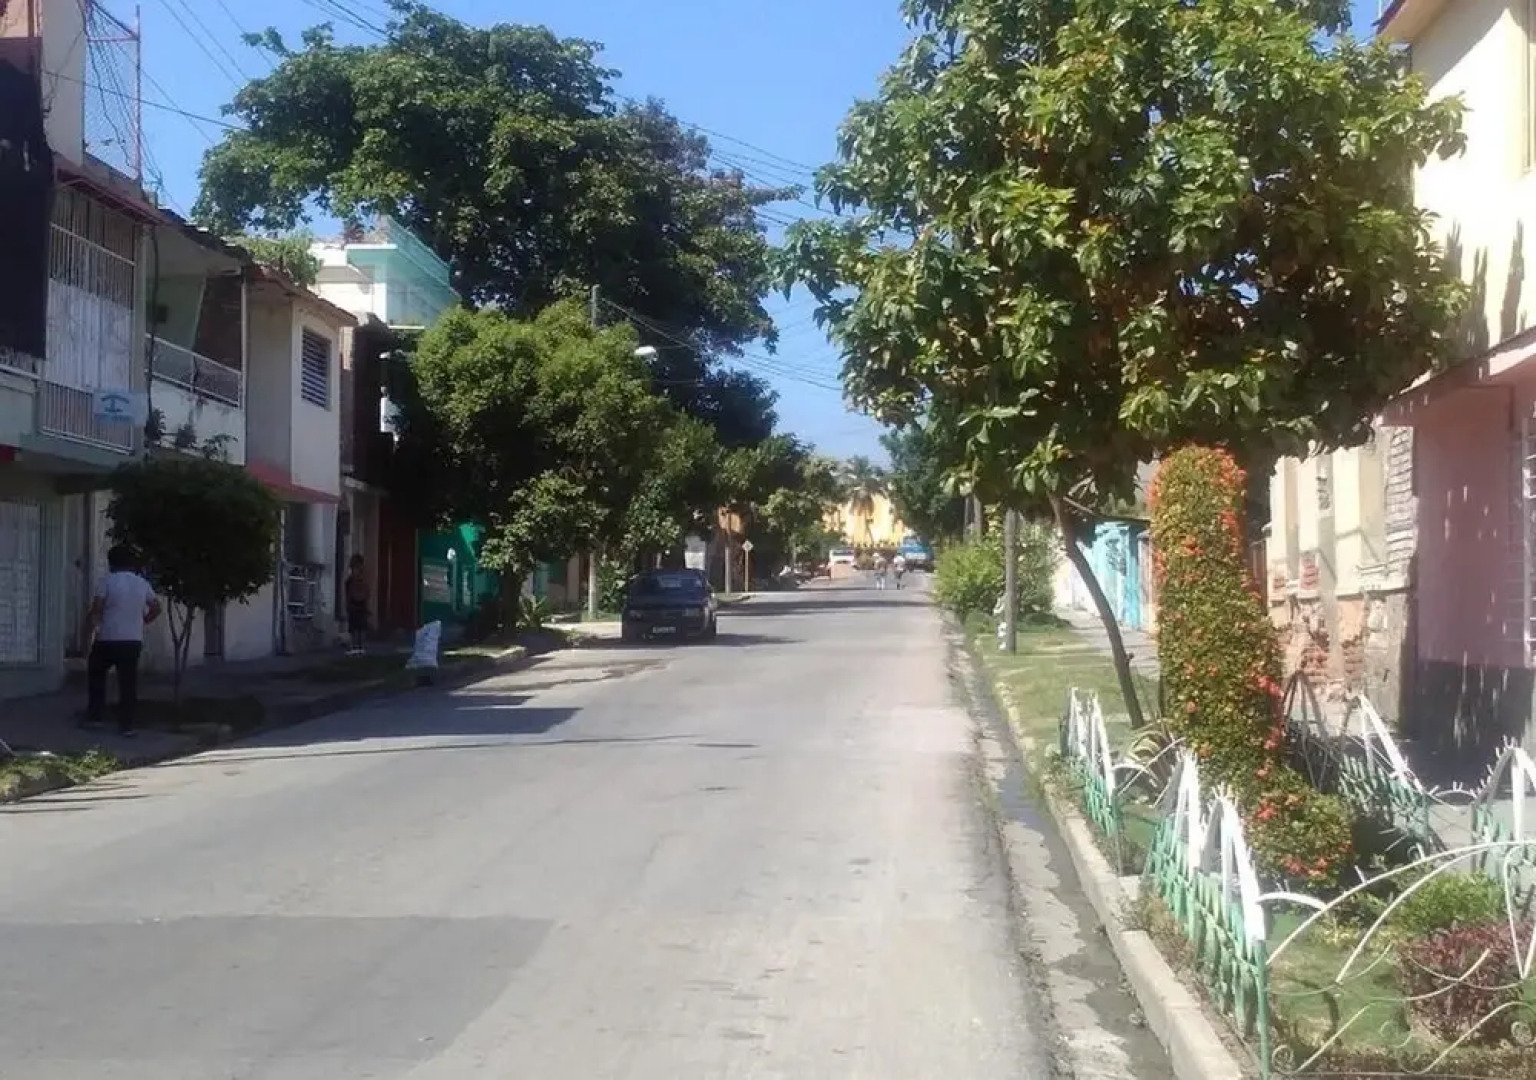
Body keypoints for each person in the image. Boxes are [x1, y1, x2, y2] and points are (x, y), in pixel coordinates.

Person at [84, 545, 161, 736]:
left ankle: (95, 717)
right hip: (132, 639)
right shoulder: (141, 583)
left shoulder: (108, 582)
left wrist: (89, 629)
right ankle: (127, 725)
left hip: (108, 638)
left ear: (112, 563)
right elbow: (156, 607)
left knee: (96, 674)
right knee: (128, 682)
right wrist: (143, 621)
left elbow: (97, 608)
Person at [344, 554, 370, 656]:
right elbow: (367, 592)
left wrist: (348, 604)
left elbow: (350, 593)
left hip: (356, 604)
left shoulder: (353, 580)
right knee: (358, 627)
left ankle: (357, 647)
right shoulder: (361, 578)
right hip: (359, 604)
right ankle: (358, 648)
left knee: (356, 627)